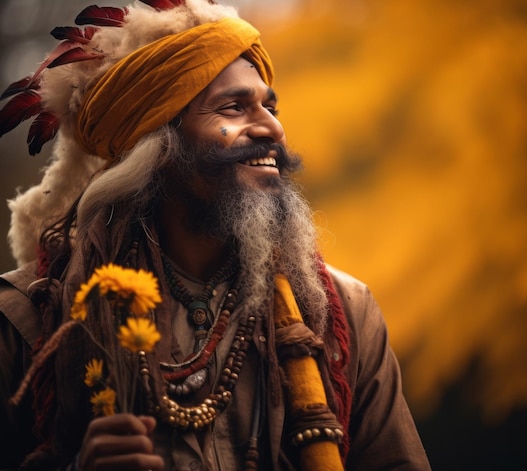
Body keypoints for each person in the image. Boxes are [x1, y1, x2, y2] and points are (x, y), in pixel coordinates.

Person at [0, 1, 431, 470]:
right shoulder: (28, 319)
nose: (272, 127)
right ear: (157, 143)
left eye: (269, 106)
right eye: (234, 107)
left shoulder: (342, 312)